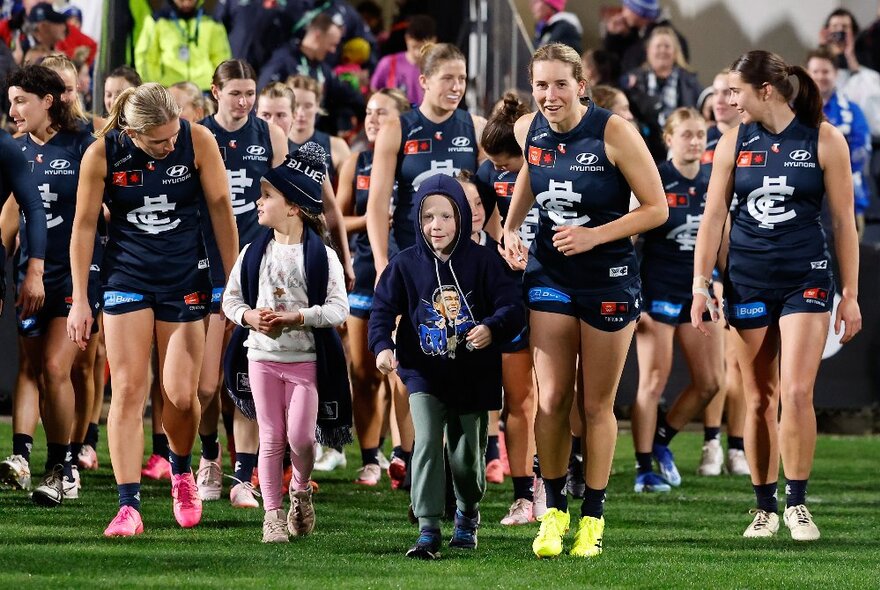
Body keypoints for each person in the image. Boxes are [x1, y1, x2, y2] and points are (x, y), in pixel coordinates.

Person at [501, 43, 666, 558]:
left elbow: (657, 208)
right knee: (550, 399)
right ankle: (552, 512)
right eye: (540, 85)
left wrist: (596, 235)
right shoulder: (529, 128)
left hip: (609, 277)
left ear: (580, 84)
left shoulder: (613, 130)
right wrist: (510, 225)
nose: (549, 96)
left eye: (559, 84)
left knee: (595, 404)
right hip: (551, 270)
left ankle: (592, 517)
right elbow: (530, 169)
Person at [691, 50, 861, 541]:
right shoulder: (732, 141)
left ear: (764, 90)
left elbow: (844, 224)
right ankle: (764, 506)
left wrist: (849, 294)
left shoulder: (825, 139)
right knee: (760, 396)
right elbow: (712, 219)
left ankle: (797, 504)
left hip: (806, 275)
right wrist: (701, 284)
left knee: (798, 391)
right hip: (747, 278)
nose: (728, 101)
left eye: (736, 91)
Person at [66, 83, 238, 537]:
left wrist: (234, 279)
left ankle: (182, 472)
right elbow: (83, 226)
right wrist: (81, 298)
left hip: (185, 276)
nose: (168, 145)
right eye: (157, 140)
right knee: (126, 389)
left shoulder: (198, 140)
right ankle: (129, 506)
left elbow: (221, 207)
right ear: (132, 131)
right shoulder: (102, 153)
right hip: (126, 276)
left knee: (183, 395)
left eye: (172, 135)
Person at [369, 173, 525, 559]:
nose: (435, 226)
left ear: (463, 218)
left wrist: (491, 328)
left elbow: (512, 307)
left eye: (445, 217)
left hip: (473, 376)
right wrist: (382, 347)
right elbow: (382, 310)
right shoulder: (404, 264)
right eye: (427, 217)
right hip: (423, 373)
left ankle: (468, 514)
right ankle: (427, 529)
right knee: (425, 444)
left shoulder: (486, 262)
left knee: (466, 456)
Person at [366, 42, 486, 488]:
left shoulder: (473, 126)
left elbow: (486, 197)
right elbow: (379, 203)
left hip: (460, 265)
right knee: (410, 358)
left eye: (462, 78)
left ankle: (462, 458)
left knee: (463, 354)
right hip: (411, 260)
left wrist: (485, 251)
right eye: (448, 78)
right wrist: (383, 261)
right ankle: (413, 451)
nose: (457, 86)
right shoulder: (399, 127)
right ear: (425, 81)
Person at [222, 144, 349, 543]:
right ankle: (272, 515)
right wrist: (248, 317)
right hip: (261, 359)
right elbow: (230, 300)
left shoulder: (323, 256)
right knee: (272, 437)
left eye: (267, 196)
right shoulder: (252, 252)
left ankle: (299, 491)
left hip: (305, 361)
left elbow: (338, 309)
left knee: (302, 438)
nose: (258, 203)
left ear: (293, 207)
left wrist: (299, 317)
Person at [0, 65, 99, 506]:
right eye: (10, 101)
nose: (13, 110)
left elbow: (109, 208)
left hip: (78, 274)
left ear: (48, 101)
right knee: (35, 370)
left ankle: (66, 468)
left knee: (59, 369)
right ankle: (32, 459)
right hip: (30, 275)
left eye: (21, 100)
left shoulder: (85, 144)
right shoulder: (14, 149)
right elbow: (10, 216)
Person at [197, 59, 288, 507]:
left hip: (257, 269)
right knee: (207, 384)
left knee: (253, 378)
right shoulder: (195, 134)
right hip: (205, 266)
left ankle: (243, 477)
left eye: (250, 93)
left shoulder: (269, 135)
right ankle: (209, 456)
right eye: (235, 92)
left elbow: (287, 202)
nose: (245, 102)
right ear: (215, 91)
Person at [630, 107, 722, 493]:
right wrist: (632, 294)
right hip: (658, 291)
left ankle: (662, 441)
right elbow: (630, 236)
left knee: (712, 382)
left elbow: (724, 238)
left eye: (700, 134)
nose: (696, 141)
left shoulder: (713, 179)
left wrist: (723, 283)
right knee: (653, 382)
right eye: (687, 134)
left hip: (699, 289)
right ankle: (642, 469)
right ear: (669, 139)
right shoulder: (656, 179)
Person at [336, 88, 411, 485]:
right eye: (368, 112)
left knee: (402, 370)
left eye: (382, 114)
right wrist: (372, 217)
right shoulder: (357, 161)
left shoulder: (414, 161)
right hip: (365, 272)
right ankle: (369, 457)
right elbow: (336, 219)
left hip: (408, 272)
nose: (372, 120)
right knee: (363, 372)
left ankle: (404, 455)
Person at [474, 92, 541, 525]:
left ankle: (556, 479)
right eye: (494, 164)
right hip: (510, 289)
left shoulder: (549, 165)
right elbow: (490, 222)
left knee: (555, 397)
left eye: (506, 164)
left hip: (559, 283)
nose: (500, 171)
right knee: (519, 398)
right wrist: (506, 243)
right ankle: (522, 494)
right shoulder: (486, 174)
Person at [0, 127, 48, 492]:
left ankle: (67, 458)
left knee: (60, 368)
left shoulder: (4, 144)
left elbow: (32, 204)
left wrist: (34, 266)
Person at [807, 47, 872, 238]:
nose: (820, 76)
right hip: (804, 202)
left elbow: (861, 151)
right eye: (815, 71)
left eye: (825, 71)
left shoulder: (852, 111)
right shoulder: (792, 111)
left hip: (845, 197)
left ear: (836, 74)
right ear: (807, 74)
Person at [625, 26, 701, 147]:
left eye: (667, 46)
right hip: (644, 145)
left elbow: (701, 105)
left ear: (675, 52)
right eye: (658, 46)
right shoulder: (633, 80)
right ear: (648, 51)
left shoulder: (690, 81)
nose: (662, 51)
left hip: (680, 144)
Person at [134, 0, 232, 91]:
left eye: (190, 0)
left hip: (204, 90)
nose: (186, 4)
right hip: (169, 90)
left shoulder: (212, 22)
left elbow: (221, 57)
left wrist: (218, 86)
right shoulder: (156, 21)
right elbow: (145, 57)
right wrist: (155, 87)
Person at [286, 75, 351, 185]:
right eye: (295, 105)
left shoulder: (336, 146)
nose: (301, 113)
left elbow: (351, 193)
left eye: (308, 106)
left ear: (317, 106)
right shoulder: (272, 144)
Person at [602, 0, 690, 75]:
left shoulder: (670, 39)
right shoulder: (635, 35)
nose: (623, 13)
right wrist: (613, 37)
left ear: (638, 12)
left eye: (627, 7)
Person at [370, 14, 436, 106]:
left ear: (434, 41)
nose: (418, 54)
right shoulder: (388, 63)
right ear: (407, 38)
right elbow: (374, 92)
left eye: (423, 48)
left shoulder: (438, 69)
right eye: (415, 47)